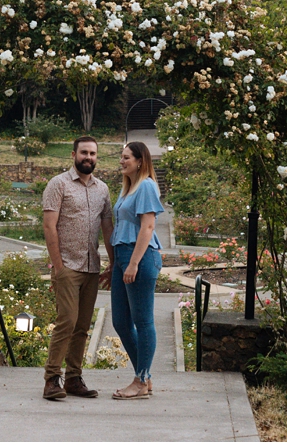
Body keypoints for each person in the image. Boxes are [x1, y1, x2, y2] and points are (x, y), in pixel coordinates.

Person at [40, 136, 114, 400]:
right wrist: (58, 266)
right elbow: (49, 226)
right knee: (67, 322)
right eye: (84, 152)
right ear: (73, 154)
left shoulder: (102, 189)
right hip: (68, 266)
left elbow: (108, 228)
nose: (88, 157)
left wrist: (113, 263)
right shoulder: (58, 184)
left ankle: (73, 378)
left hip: (92, 267)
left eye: (93, 153)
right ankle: (52, 379)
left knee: (82, 326)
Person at [110, 141, 164, 400]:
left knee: (143, 321)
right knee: (121, 322)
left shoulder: (146, 186)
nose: (122, 161)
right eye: (121, 157)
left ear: (140, 160)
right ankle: (145, 376)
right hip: (122, 257)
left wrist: (133, 263)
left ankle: (141, 380)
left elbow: (148, 227)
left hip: (139, 258)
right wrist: (116, 262)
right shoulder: (128, 188)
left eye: (126, 157)